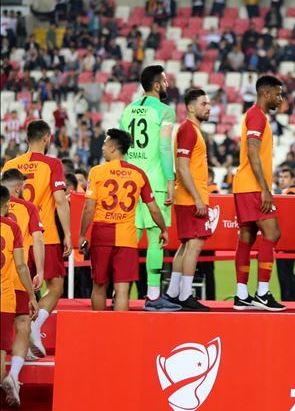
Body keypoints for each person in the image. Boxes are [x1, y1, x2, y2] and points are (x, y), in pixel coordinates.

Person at [2, 120, 71, 358]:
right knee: (55, 286)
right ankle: (34, 328)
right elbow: (60, 200)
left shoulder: (10, 164)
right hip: (44, 234)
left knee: (21, 292)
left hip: (16, 237)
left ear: (26, 138)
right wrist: (68, 234)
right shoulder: (52, 163)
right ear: (47, 138)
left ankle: (20, 349)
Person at [78, 129, 168, 313]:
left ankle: (98, 327)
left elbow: (89, 208)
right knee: (122, 290)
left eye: (105, 144)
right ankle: (119, 330)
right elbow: (153, 208)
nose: (102, 148)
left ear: (113, 148)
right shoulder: (138, 174)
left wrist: (81, 235)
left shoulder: (97, 172)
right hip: (127, 238)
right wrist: (163, 229)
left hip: (102, 235)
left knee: (99, 287)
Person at [119, 65, 177, 311]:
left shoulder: (127, 110)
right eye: (164, 81)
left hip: (130, 182)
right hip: (154, 181)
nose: (167, 84)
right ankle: (153, 296)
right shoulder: (166, 111)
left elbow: (121, 147)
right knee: (156, 239)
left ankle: (118, 292)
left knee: (128, 240)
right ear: (156, 85)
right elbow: (164, 147)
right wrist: (170, 180)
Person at [232, 75, 285, 311]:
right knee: (272, 233)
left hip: (243, 185)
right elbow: (252, 152)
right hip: (253, 186)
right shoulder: (257, 116)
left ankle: (241, 294)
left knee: (247, 237)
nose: (280, 99)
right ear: (266, 93)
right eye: (278, 94)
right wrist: (265, 188)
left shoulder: (254, 115)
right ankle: (262, 293)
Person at [162, 89, 213, 311]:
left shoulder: (191, 130)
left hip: (188, 196)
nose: (208, 107)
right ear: (191, 107)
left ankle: (174, 293)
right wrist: (198, 198)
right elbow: (182, 167)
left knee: (186, 245)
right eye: (203, 103)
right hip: (191, 198)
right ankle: (184, 295)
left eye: (208, 103)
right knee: (195, 244)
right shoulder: (188, 130)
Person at [0, 185, 38, 408]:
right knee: (0, 351)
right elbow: (22, 266)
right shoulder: (12, 227)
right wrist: (32, 296)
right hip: (4, 297)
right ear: (6, 204)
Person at [275, 167, 295, 302]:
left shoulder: (291, 194)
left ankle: (288, 300)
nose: (282, 179)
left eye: (285, 177)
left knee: (284, 272)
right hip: (290, 238)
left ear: (293, 179)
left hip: (286, 239)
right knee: (288, 272)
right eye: (280, 177)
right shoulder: (289, 192)